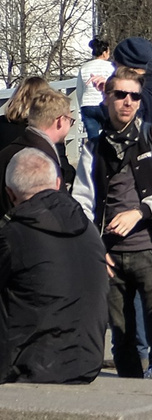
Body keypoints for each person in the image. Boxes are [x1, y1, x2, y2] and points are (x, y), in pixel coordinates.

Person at [75, 66, 152, 379]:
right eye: (120, 94)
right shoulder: (93, 148)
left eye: (134, 96)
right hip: (111, 256)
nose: (127, 101)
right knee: (122, 341)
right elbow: (83, 202)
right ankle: (130, 402)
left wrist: (140, 211)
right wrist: (96, 249)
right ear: (107, 97)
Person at [0, 147, 110, 384]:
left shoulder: (13, 235)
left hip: (28, 369)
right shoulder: (89, 230)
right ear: (58, 182)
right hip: (87, 362)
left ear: (10, 194)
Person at [0, 82, 77, 220]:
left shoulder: (5, 128)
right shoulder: (43, 145)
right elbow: (67, 174)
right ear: (59, 121)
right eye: (70, 121)